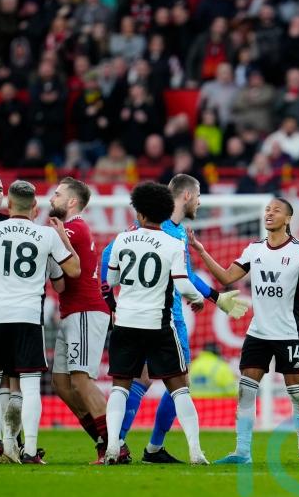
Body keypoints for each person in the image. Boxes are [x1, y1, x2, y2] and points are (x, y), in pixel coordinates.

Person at [100, 174, 248, 463]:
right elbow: (109, 257)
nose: (200, 202)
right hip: (165, 318)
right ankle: (150, 447)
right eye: (199, 195)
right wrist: (213, 298)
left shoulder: (170, 230)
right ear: (187, 196)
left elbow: (184, 274)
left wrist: (111, 296)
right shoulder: (163, 230)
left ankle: (120, 445)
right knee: (178, 383)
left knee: (135, 380)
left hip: (138, 318)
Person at [190, 197, 299, 465]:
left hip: (287, 334)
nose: (269, 213)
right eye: (267, 209)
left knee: (297, 394)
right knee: (246, 390)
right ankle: (242, 451)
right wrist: (202, 251)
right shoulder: (254, 249)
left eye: (276, 210)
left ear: (288, 219)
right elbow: (226, 277)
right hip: (258, 333)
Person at [0, 180, 81, 464]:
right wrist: (62, 241)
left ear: (9, 204)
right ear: (35, 205)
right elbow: (74, 270)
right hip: (28, 317)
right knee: (31, 386)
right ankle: (31, 450)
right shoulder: (46, 235)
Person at [103, 182, 208, 465]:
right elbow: (183, 284)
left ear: (139, 213)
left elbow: (110, 281)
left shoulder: (122, 239)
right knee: (180, 388)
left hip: (126, 323)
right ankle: (196, 451)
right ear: (165, 212)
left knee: (119, 387)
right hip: (158, 324)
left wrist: (119, 301)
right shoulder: (173, 243)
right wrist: (198, 298)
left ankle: (112, 447)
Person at [49, 177, 113, 464]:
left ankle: (114, 445)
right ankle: (103, 441)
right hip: (71, 312)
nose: (52, 198)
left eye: (58, 194)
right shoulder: (69, 230)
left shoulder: (74, 228)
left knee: (82, 381)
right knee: (62, 383)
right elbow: (61, 284)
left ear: (72, 202)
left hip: (86, 312)